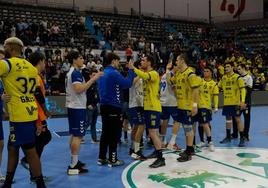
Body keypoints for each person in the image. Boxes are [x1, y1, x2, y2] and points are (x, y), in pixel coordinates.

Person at [0, 37, 46, 188]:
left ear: (11, 49)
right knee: (13, 148)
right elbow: (37, 92)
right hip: (29, 111)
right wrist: (43, 113)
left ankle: (40, 184)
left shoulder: (6, 64)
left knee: (29, 151)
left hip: (19, 115)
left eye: (5, 47)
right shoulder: (31, 67)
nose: (4, 49)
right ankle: (8, 183)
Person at [66, 50, 103, 175]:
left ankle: (74, 160)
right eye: (80, 58)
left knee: (74, 135)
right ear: (74, 60)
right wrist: (93, 79)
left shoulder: (72, 73)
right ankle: (73, 165)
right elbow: (79, 89)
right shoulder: (75, 73)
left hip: (74, 106)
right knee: (78, 136)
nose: (83, 60)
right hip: (77, 107)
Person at [97, 52, 135, 167]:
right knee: (114, 133)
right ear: (113, 61)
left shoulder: (102, 73)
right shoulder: (114, 73)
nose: (119, 63)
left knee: (105, 132)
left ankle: (102, 157)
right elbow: (127, 84)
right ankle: (113, 160)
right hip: (113, 106)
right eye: (118, 61)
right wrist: (131, 70)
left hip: (103, 105)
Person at [19, 52, 52, 182]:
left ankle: (33, 171)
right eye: (44, 61)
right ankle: (29, 161)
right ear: (40, 61)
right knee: (43, 138)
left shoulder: (33, 75)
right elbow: (37, 95)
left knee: (42, 139)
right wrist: (45, 111)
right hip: (37, 115)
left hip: (36, 114)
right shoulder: (35, 77)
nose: (45, 64)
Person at [129, 55, 165, 168]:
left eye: (144, 60)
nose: (141, 62)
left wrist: (133, 68)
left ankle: (161, 158)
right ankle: (156, 151)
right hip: (148, 107)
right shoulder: (147, 75)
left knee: (153, 133)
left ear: (149, 63)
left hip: (153, 108)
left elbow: (144, 75)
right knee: (152, 133)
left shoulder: (153, 73)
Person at [168, 53, 200, 162]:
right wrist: (168, 71)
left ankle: (190, 151)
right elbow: (170, 81)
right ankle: (188, 149)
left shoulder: (190, 74)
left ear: (182, 60)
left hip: (188, 106)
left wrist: (195, 105)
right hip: (180, 106)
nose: (176, 62)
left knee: (188, 128)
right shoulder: (179, 74)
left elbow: (196, 90)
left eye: (177, 60)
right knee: (186, 129)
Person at [218, 62, 246, 147]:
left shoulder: (238, 77)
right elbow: (218, 87)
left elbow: (243, 90)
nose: (226, 68)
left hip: (235, 103)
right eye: (225, 67)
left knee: (238, 120)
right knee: (228, 120)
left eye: (228, 67)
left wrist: (242, 101)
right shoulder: (223, 78)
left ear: (232, 67)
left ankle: (242, 138)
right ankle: (228, 137)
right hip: (227, 103)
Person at [196, 67, 219, 151]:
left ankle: (210, 141)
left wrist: (216, 106)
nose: (205, 72)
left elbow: (216, 96)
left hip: (206, 106)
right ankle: (202, 141)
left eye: (207, 71)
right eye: (204, 71)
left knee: (205, 123)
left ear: (211, 73)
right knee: (200, 123)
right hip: (198, 106)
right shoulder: (200, 81)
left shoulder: (214, 84)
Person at [160, 62, 181, 151]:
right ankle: (172, 143)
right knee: (178, 120)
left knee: (165, 121)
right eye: (178, 67)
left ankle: (163, 142)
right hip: (172, 102)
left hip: (163, 101)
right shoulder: (172, 75)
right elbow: (173, 87)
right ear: (174, 67)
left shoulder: (165, 74)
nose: (179, 69)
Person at [128, 61, 146, 160]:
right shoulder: (134, 74)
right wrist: (139, 74)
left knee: (135, 127)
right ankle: (137, 150)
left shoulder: (143, 76)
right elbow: (130, 83)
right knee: (141, 126)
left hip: (141, 104)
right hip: (135, 104)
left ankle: (132, 148)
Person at [232, 64, 253, 141]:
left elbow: (249, 92)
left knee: (246, 119)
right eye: (237, 69)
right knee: (235, 118)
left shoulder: (249, 77)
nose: (238, 70)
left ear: (244, 68)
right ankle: (235, 134)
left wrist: (245, 102)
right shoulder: (238, 78)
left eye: (239, 69)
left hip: (245, 103)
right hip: (237, 102)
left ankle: (246, 135)